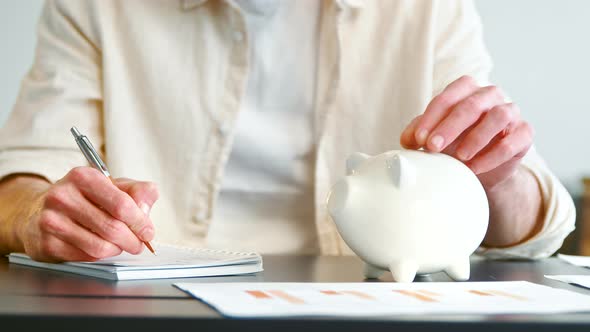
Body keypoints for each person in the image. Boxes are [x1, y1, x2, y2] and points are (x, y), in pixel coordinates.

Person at [0, 0, 575, 262]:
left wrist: (494, 179)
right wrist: (36, 213)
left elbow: (535, 231)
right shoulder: (90, 8)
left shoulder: (428, 10)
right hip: (151, 302)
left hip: (369, 305)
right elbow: (16, 184)